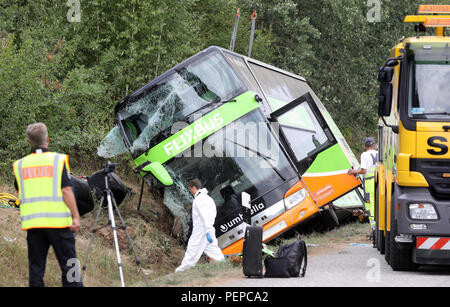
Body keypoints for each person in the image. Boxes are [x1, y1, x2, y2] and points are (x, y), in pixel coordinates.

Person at [12, 123, 83, 287]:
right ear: (48, 139)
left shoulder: (20, 165)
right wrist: (76, 216)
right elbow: (65, 190)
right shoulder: (57, 160)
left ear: (29, 142)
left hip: (34, 225)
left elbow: (18, 191)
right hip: (59, 224)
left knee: (36, 271)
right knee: (71, 268)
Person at [175, 179, 225, 272]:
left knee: (192, 249)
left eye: (190, 189)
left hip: (201, 230)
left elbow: (203, 215)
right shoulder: (208, 198)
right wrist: (209, 228)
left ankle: (182, 270)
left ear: (194, 187)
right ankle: (223, 263)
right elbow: (213, 213)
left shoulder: (198, 200)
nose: (190, 191)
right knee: (211, 248)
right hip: (208, 228)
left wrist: (206, 230)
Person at [348, 137, 377, 230]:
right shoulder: (378, 153)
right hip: (379, 180)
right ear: (373, 145)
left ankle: (374, 227)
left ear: (365, 146)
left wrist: (354, 172)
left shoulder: (365, 155)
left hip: (369, 181)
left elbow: (364, 170)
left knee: (370, 203)